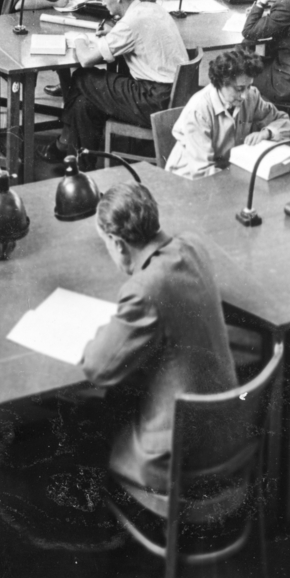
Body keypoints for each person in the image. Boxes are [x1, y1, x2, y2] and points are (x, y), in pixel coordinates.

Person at [79, 183, 241, 509]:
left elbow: (98, 368)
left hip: (182, 456)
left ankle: (99, 525)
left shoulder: (143, 289)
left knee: (88, 413)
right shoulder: (193, 245)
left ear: (119, 244)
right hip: (230, 429)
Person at [47, 0, 188, 159]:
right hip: (175, 95)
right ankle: (80, 158)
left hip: (154, 100)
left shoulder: (130, 23)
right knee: (84, 102)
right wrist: (113, 34)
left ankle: (67, 141)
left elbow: (87, 60)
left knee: (82, 76)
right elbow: (136, 36)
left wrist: (79, 39)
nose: (103, 3)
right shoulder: (151, 8)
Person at [164, 49, 290, 178]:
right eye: (239, 89)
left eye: (248, 86)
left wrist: (267, 133)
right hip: (189, 179)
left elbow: (285, 122)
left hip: (227, 171)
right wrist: (241, 180)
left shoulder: (251, 96)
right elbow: (202, 171)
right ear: (220, 83)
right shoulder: (198, 111)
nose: (244, 95)